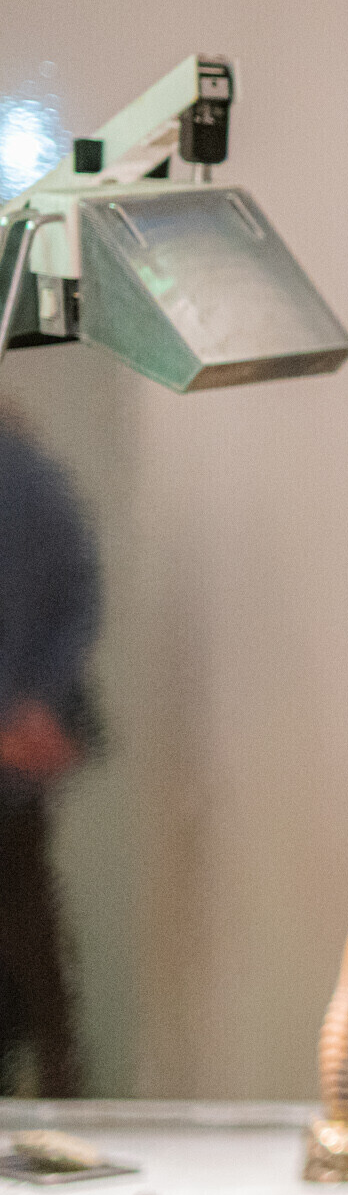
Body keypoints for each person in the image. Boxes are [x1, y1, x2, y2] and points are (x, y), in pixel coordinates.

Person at [0, 404, 97, 1098]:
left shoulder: (25, 478)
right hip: (21, 748)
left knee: (27, 927)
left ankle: (59, 1084)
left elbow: (75, 591)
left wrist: (30, 708)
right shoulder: (30, 475)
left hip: (18, 763)